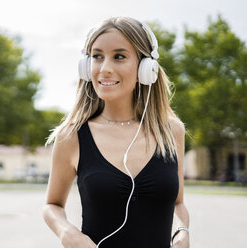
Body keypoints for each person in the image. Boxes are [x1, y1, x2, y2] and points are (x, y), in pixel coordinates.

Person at [42, 16, 190, 248]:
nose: (105, 69)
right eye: (97, 57)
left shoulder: (172, 131)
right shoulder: (71, 136)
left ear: (145, 68)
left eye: (119, 57)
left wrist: (182, 231)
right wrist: (67, 233)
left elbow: (178, 203)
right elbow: (52, 205)